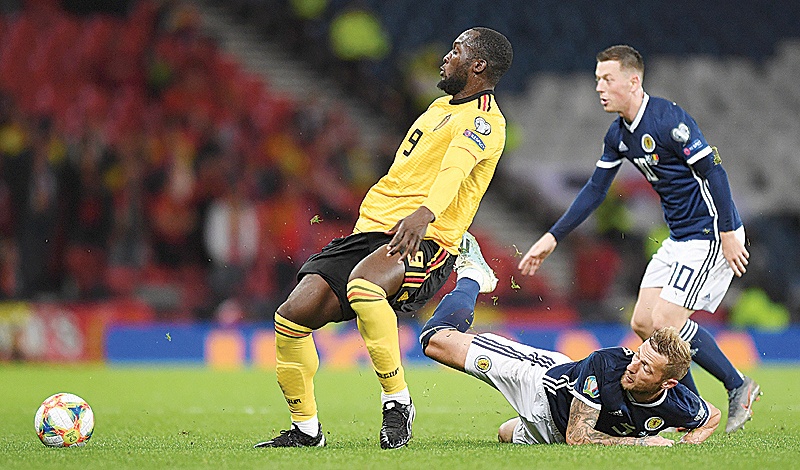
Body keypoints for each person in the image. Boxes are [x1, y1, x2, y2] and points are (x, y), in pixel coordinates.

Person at [254, 27, 513, 449]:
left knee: (364, 286)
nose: (446, 57)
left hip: (426, 238)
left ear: (478, 65)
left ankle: (397, 400)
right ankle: (306, 430)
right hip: (369, 233)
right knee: (290, 317)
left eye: (456, 51)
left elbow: (454, 171)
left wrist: (424, 215)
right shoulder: (438, 107)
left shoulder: (484, 120)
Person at [516, 45, 760, 433]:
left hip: (710, 232)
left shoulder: (668, 120)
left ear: (633, 81)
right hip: (680, 237)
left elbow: (715, 172)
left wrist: (729, 231)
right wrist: (553, 236)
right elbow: (595, 190)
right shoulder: (619, 134)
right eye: (597, 79)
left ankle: (737, 385)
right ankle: (694, 407)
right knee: (644, 322)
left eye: (607, 79)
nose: (599, 87)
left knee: (666, 322)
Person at [420, 235, 720, 446]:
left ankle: (523, 427)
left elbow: (711, 417)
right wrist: (645, 444)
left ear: (667, 383)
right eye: (638, 355)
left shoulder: (679, 402)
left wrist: (686, 445)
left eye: (646, 367)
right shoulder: (610, 363)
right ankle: (472, 274)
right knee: (434, 340)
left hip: (554, 430)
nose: (634, 364)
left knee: (504, 434)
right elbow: (578, 438)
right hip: (539, 384)